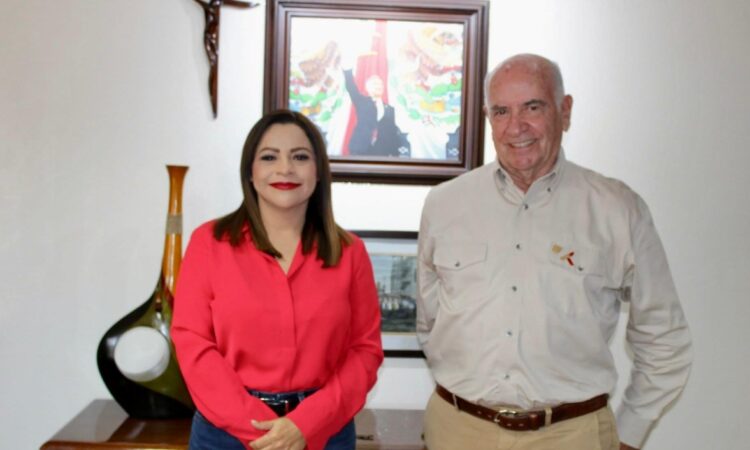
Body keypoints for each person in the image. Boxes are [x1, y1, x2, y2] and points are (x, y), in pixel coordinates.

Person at [416, 54, 692, 450]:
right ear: (488, 118)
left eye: (532, 107)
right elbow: (429, 323)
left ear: (565, 111)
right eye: (502, 111)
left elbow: (664, 336)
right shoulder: (444, 204)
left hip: (571, 435)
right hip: (458, 431)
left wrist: (630, 432)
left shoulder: (617, 209)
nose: (516, 127)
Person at [171, 109, 384, 450]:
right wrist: (265, 432)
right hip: (225, 436)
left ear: (318, 172)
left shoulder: (350, 252)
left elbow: (365, 352)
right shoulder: (209, 243)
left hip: (324, 433)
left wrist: (305, 425)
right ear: (250, 172)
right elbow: (192, 344)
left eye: (300, 157)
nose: (285, 169)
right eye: (269, 157)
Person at [343, 69, 410, 157]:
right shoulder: (361, 101)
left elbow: (392, 132)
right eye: (375, 84)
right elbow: (351, 86)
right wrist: (347, 70)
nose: (379, 86)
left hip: (381, 154)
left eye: (381, 84)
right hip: (359, 150)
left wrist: (396, 154)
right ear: (368, 88)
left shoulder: (390, 109)